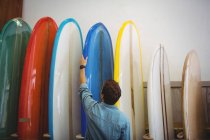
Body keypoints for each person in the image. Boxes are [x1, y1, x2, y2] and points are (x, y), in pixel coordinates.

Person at [79, 55, 130, 140]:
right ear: (117, 98)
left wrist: (82, 66)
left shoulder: (91, 109)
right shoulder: (124, 121)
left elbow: (83, 87)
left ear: (102, 95)